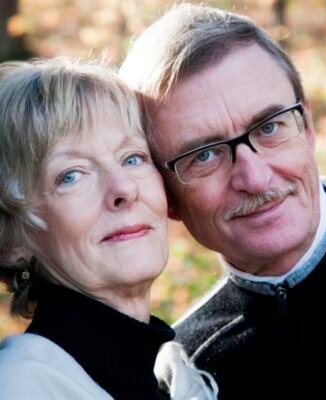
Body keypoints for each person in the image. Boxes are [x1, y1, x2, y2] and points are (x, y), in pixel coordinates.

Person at [120, 4, 326, 400]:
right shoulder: (186, 374)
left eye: (269, 127)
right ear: (167, 197)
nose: (255, 178)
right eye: (205, 155)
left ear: (307, 127)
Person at [0, 57, 218, 400]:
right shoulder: (20, 387)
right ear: (11, 238)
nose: (125, 188)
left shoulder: (172, 377)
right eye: (71, 175)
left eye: (133, 158)